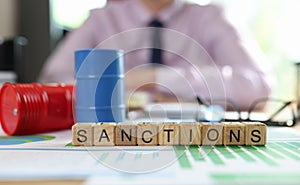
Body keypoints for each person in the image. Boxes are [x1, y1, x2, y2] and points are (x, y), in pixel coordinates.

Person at [38, 0, 272, 110]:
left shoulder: (211, 17)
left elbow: (257, 86)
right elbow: (51, 83)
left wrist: (156, 77)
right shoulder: (101, 19)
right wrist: (121, 88)